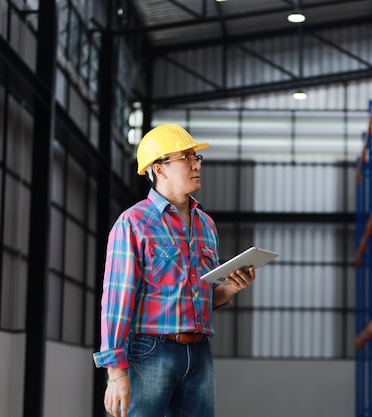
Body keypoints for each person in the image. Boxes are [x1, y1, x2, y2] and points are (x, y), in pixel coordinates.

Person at [93, 123, 256, 417]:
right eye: (187, 158)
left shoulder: (206, 224)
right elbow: (116, 301)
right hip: (149, 352)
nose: (196, 165)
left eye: (197, 158)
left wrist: (232, 286)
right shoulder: (134, 223)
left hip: (199, 352)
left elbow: (205, 297)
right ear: (159, 169)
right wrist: (115, 373)